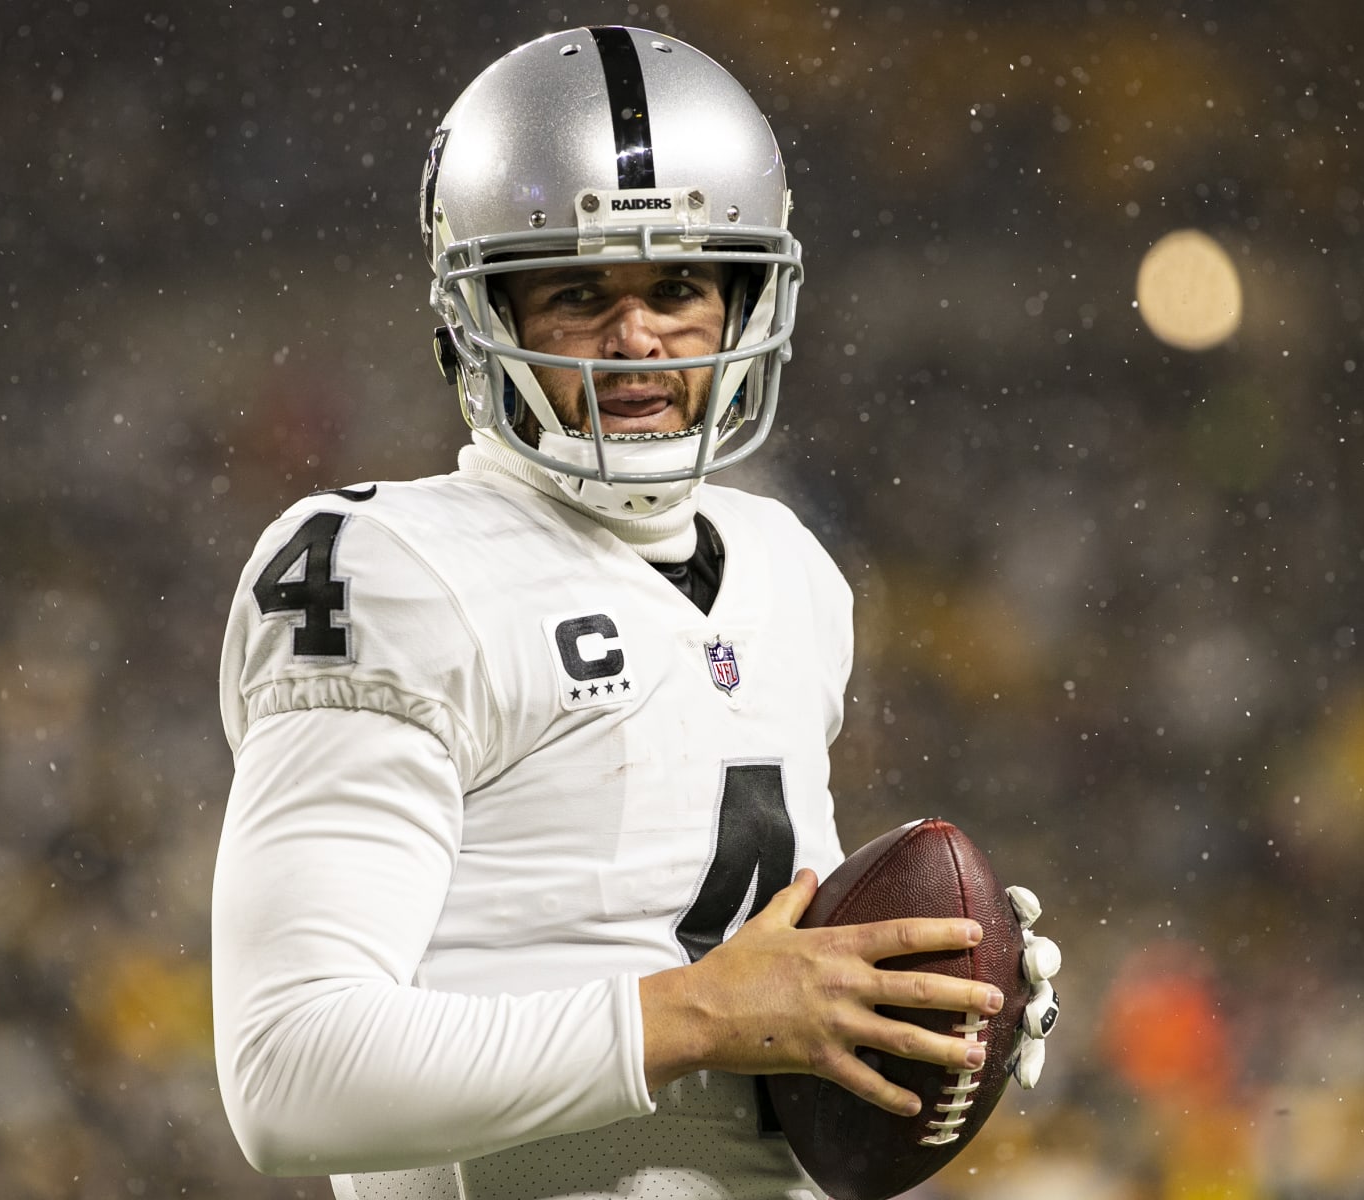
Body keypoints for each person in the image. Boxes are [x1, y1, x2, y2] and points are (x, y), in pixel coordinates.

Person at [210, 25, 1059, 1199]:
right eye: (576, 293)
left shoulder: (790, 567)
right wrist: (699, 1017)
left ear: (746, 298)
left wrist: (913, 1004)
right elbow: (292, 1076)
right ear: (482, 318)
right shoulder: (389, 565)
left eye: (678, 284)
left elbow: (745, 994)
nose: (637, 336)